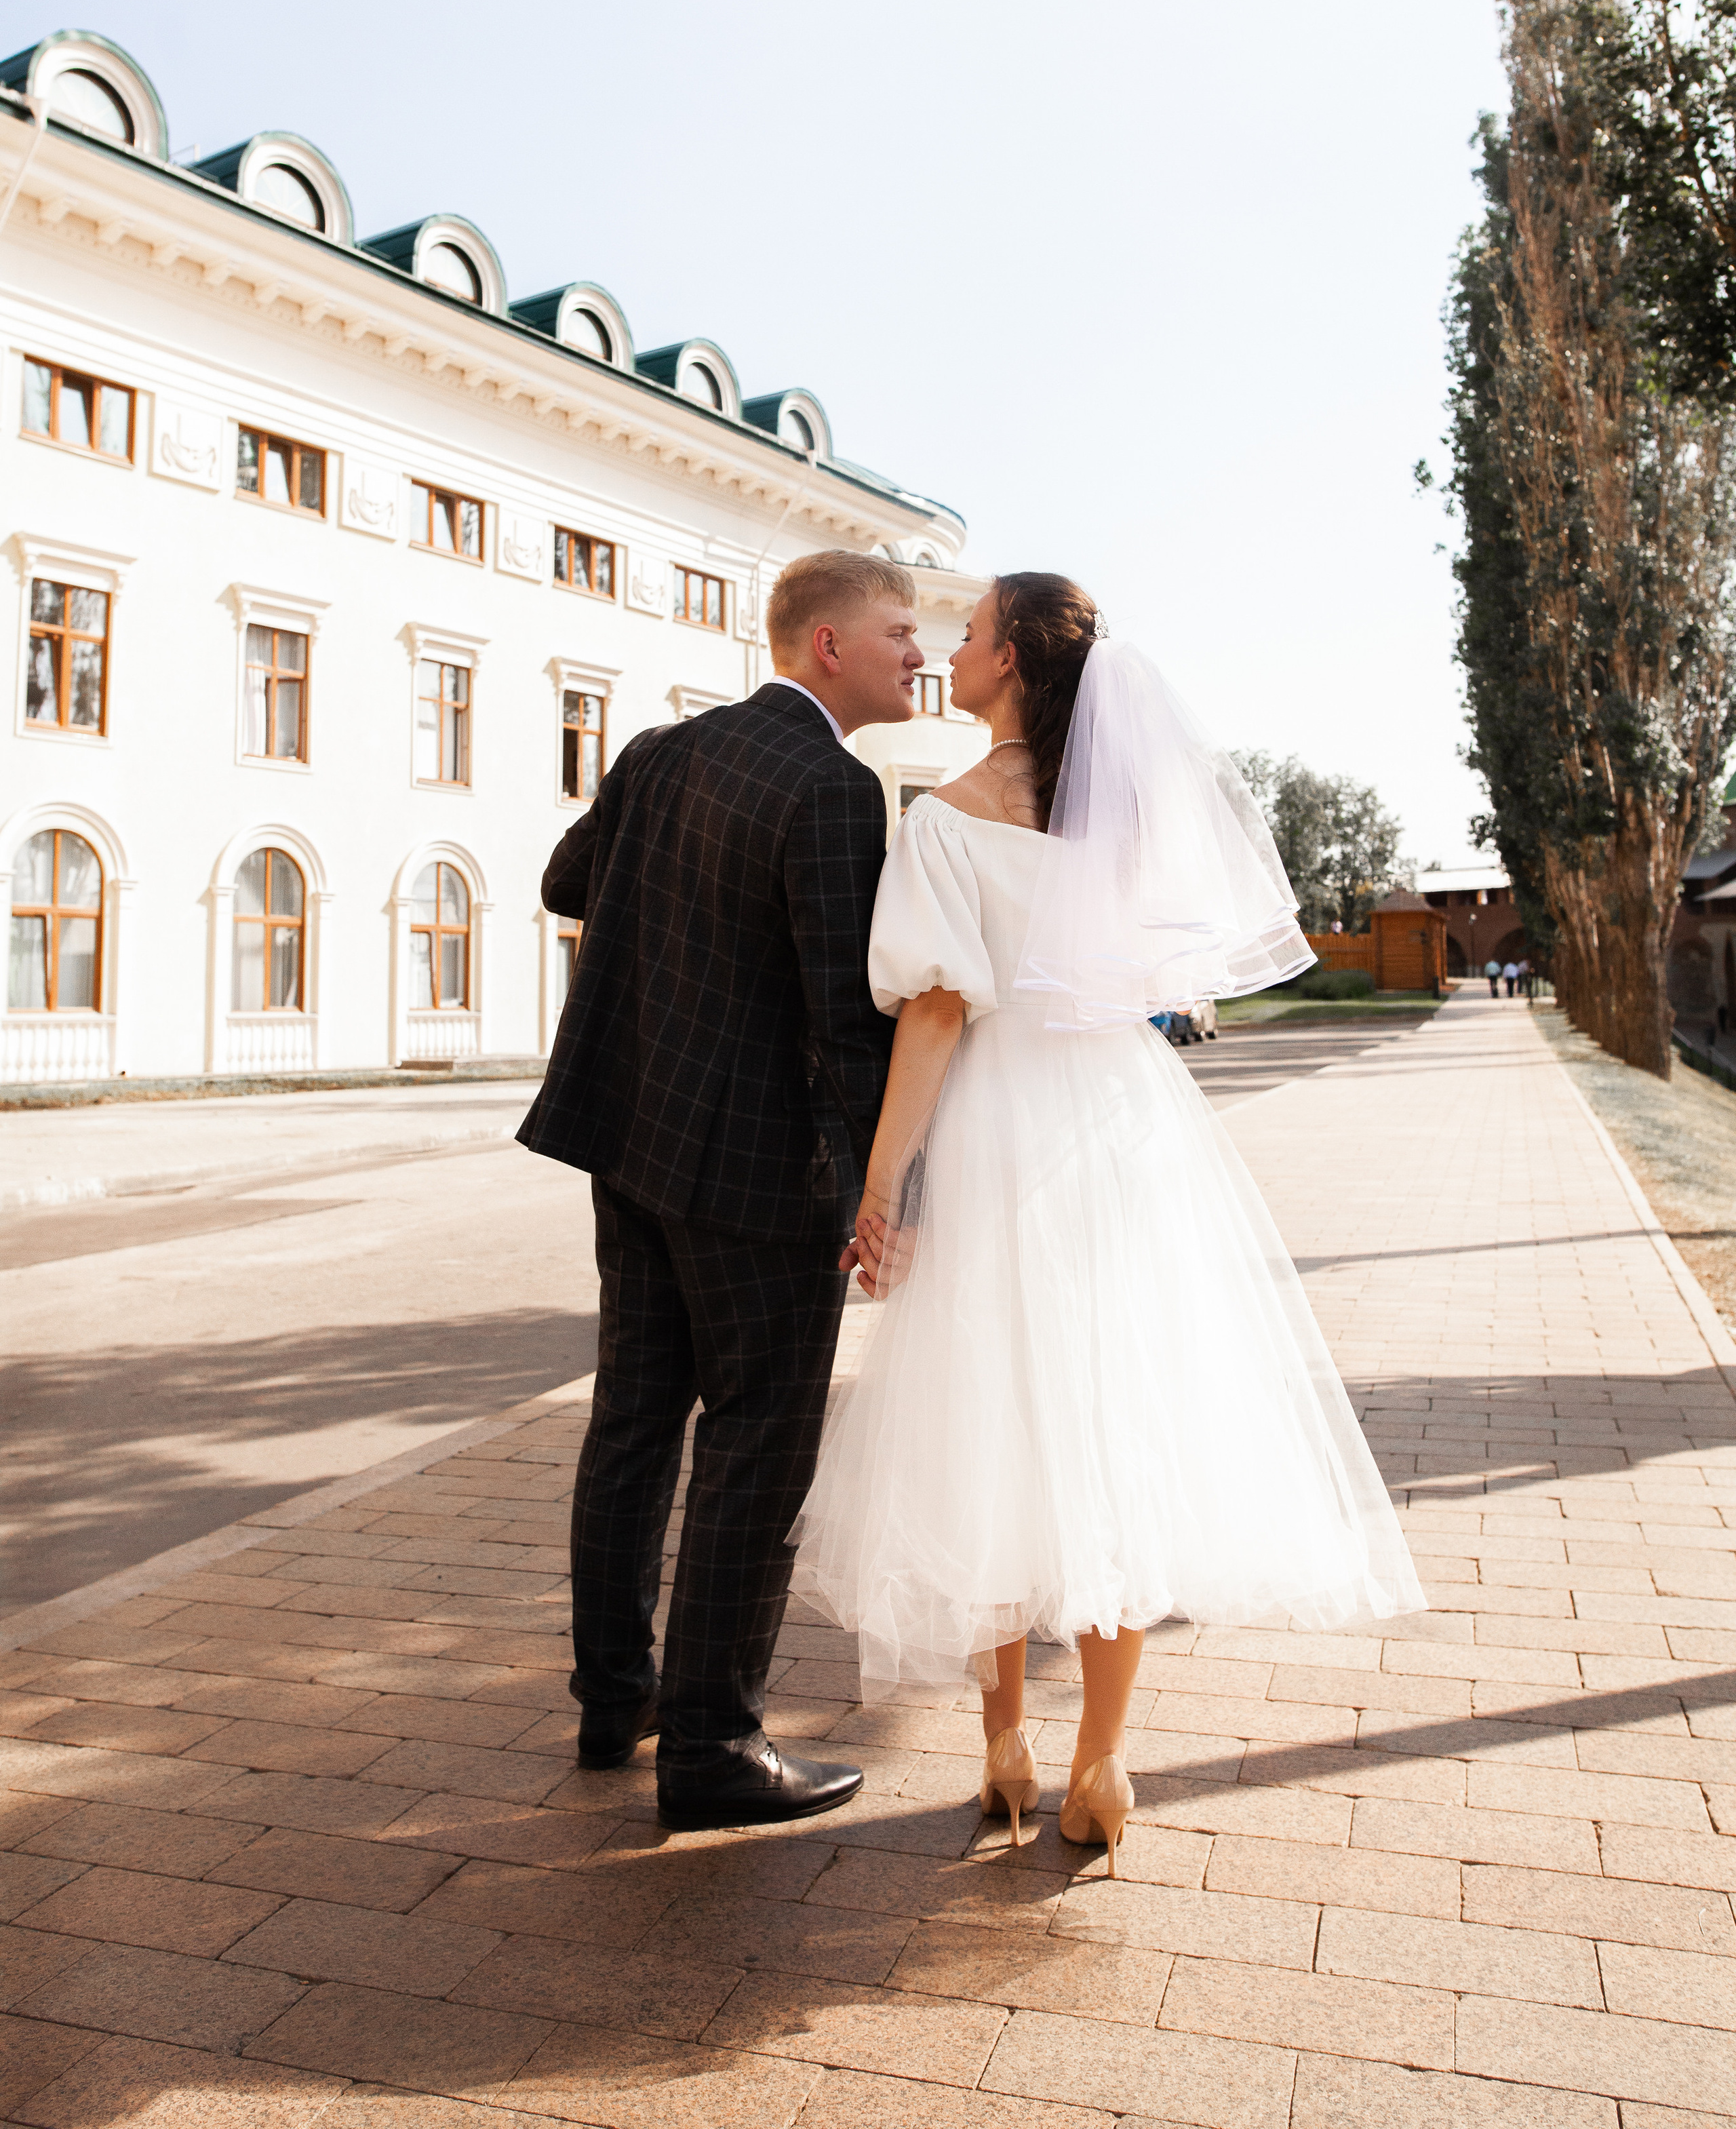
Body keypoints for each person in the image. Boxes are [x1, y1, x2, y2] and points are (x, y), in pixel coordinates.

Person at [791, 574, 1425, 1876]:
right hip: (1126, 1127)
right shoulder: (1123, 825)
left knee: (991, 1419)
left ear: (1012, 659)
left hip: (996, 1127)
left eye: (966, 636)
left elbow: (934, 1012)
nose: (948, 653)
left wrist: (879, 1183)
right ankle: (1105, 1761)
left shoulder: (946, 824)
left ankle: (1006, 1748)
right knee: (1114, 1413)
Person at [518, 550, 923, 1831]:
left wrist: (682, 948)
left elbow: (566, 885)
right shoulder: (833, 786)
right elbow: (845, 1018)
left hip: (628, 1142)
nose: (919, 652)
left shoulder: (655, 752)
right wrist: (886, 1190)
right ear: (828, 649)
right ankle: (712, 1746)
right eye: (901, 631)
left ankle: (614, 1698)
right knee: (758, 1441)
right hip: (757, 1176)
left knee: (635, 1421)